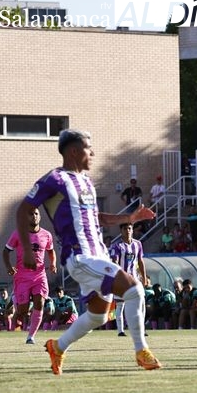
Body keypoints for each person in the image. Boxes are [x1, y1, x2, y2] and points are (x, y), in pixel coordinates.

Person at [18, 129, 161, 374]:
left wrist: (129, 217)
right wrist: (28, 252)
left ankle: (57, 347)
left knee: (98, 316)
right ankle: (141, 350)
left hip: (99, 255)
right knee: (134, 289)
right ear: (74, 151)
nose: (92, 153)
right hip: (80, 257)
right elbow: (22, 210)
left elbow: (96, 218)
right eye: (88, 148)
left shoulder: (86, 182)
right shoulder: (54, 180)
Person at [3, 206, 56, 344]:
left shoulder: (46, 235)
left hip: (39, 275)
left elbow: (51, 251)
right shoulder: (18, 234)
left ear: (40, 216)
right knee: (22, 311)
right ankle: (15, 298)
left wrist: (53, 264)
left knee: (40, 303)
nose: (34, 216)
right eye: (31, 214)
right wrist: (9, 267)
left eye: (36, 213)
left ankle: (31, 336)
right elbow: (6, 251)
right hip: (22, 277)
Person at [108, 223, 147, 337]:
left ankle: (142, 329)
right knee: (120, 305)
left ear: (132, 230)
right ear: (121, 231)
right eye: (125, 229)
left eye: (129, 228)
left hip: (135, 279)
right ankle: (121, 331)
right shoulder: (117, 246)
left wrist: (144, 277)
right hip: (122, 280)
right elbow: (115, 262)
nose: (128, 231)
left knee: (141, 303)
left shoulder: (138, 244)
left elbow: (140, 261)